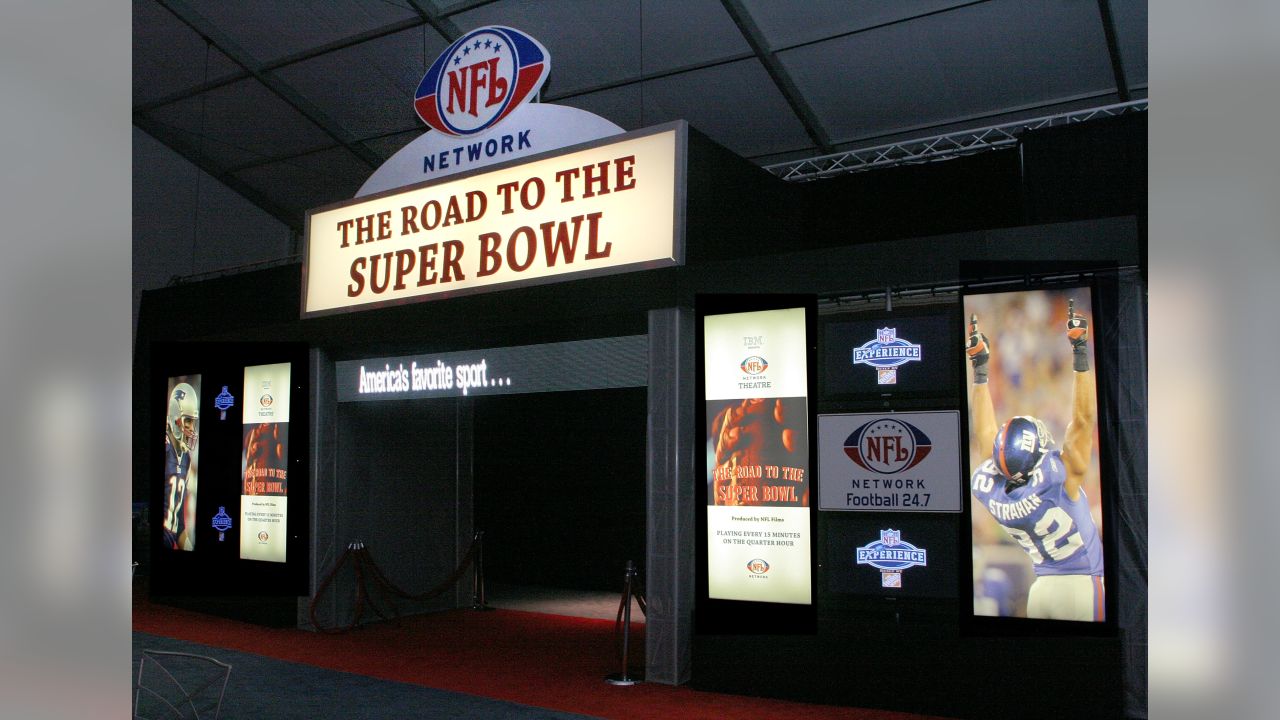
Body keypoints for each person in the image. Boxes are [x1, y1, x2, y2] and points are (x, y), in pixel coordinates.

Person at [967, 300, 1104, 621]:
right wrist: (1081, 353)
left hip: (1041, 591)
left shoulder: (995, 488)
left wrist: (980, 370)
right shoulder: (1058, 479)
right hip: (1081, 585)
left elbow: (986, 436)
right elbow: (1084, 420)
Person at [162, 381, 200, 550]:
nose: (192, 428)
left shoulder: (186, 458)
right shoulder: (166, 448)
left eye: (193, 422)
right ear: (176, 417)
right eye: (188, 421)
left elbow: (179, 527)